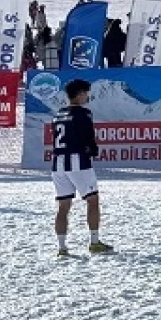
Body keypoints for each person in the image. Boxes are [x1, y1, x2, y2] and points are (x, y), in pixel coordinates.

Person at [50, 79, 112, 256]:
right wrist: (93, 150)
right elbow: (88, 137)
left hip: (58, 163)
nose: (87, 96)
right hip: (78, 161)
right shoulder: (84, 113)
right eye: (86, 93)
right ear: (79, 94)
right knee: (93, 201)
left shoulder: (58, 114)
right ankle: (94, 242)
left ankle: (62, 247)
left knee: (63, 206)